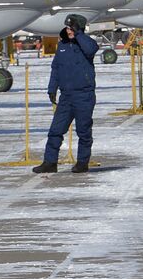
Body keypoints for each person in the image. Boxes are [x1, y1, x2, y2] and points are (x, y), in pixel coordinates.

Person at [33, 13, 98, 174]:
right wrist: (52, 88)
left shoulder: (85, 44)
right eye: (68, 27)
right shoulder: (62, 46)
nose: (68, 30)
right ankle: (50, 162)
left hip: (84, 95)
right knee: (55, 130)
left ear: (79, 28)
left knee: (83, 131)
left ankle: (82, 163)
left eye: (72, 28)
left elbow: (91, 50)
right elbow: (56, 69)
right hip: (66, 96)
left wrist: (79, 34)